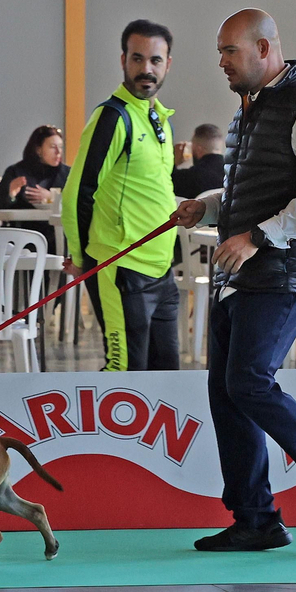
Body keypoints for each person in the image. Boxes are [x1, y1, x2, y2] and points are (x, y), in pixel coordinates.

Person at [172, 8, 296, 553]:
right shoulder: (248, 112)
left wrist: (258, 237)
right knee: (226, 390)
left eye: (229, 51)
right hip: (243, 273)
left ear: (264, 49)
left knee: (248, 383)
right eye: (220, 52)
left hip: (284, 272)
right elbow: (258, 189)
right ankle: (256, 519)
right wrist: (209, 209)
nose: (221, 63)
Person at [61, 19, 181, 372]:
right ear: (123, 60)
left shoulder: (160, 118)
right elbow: (77, 193)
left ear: (167, 64)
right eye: (137, 58)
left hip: (162, 270)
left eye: (156, 61)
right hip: (120, 267)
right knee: (125, 376)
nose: (147, 69)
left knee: (168, 378)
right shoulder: (112, 117)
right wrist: (81, 258)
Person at [0, 125, 69, 252]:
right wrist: (10, 194)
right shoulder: (17, 172)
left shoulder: (67, 174)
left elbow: (79, 202)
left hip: (59, 238)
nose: (58, 152)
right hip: (24, 238)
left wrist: (52, 197)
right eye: (53, 147)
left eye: (61, 147)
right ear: (38, 150)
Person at [171, 123, 226, 198]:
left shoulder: (191, 177)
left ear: (199, 149)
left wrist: (174, 161)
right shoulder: (233, 173)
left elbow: (166, 185)